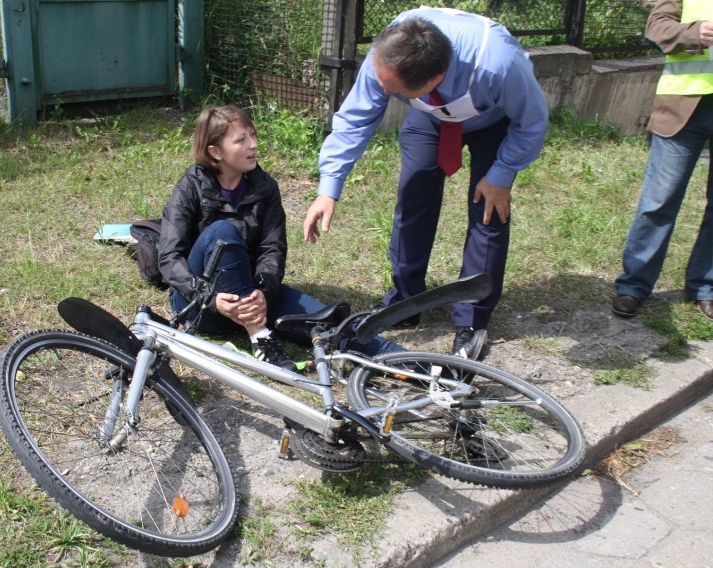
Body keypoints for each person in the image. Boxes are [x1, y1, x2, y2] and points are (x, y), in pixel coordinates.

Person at [302, 7, 549, 361]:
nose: (380, 90)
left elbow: (532, 122)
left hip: (493, 121)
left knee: (488, 211)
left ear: (434, 79)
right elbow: (356, 119)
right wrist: (329, 187)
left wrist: (502, 173)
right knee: (413, 197)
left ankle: (471, 320)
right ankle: (405, 300)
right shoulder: (388, 53)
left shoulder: (500, 65)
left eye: (391, 90)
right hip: (430, 119)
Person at [158, 105, 402, 371]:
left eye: (253, 135)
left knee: (330, 324)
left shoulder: (264, 187)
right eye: (241, 140)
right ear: (215, 152)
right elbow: (170, 256)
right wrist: (209, 298)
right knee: (222, 231)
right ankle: (261, 337)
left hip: (253, 297)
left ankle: (423, 366)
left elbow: (272, 248)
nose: (253, 145)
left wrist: (263, 292)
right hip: (202, 306)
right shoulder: (190, 186)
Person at [611, 0, 713, 321]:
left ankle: (705, 287)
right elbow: (657, 26)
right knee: (659, 200)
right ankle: (634, 286)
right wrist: (696, 33)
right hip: (683, 108)